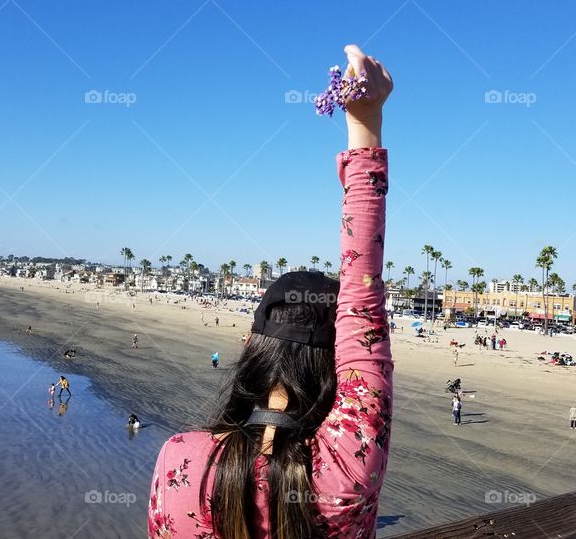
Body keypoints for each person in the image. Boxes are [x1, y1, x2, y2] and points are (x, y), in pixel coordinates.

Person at [148, 45, 393, 538]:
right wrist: (364, 122)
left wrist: (364, 122)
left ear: (249, 347)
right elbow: (361, 297)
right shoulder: (349, 458)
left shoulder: (184, 460)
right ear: (336, 364)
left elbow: (360, 306)